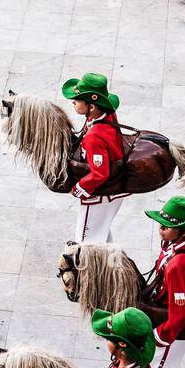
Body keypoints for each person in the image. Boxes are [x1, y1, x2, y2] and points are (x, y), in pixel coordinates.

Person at [142, 195, 185, 368]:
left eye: (166, 227)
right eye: (159, 225)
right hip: (164, 308)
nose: (160, 230)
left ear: (183, 230)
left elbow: (181, 314)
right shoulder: (171, 244)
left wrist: (159, 337)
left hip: (174, 330)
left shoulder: (177, 265)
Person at [62, 71, 126, 243]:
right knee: (101, 236)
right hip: (112, 188)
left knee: (86, 242)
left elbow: (100, 173)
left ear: (92, 106)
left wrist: (78, 188)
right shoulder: (102, 115)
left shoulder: (95, 136)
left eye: (77, 100)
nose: (73, 103)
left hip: (101, 194)